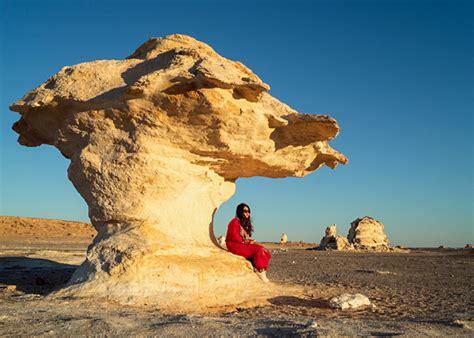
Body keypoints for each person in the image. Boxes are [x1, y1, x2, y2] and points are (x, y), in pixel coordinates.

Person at [225, 203, 272, 282]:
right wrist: (247, 242)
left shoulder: (242, 223)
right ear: (240, 212)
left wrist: (250, 241)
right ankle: (259, 270)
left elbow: (243, 238)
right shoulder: (234, 222)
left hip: (240, 244)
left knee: (264, 250)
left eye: (249, 211)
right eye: (245, 211)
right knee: (259, 249)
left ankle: (262, 270)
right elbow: (235, 237)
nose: (248, 213)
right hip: (234, 245)